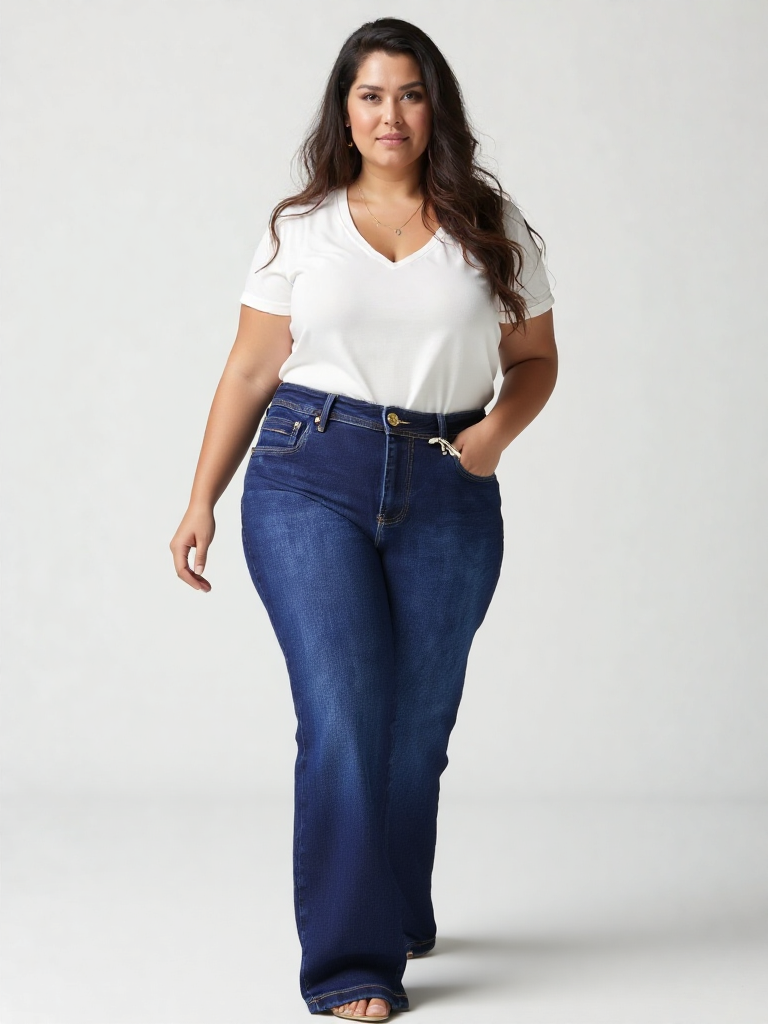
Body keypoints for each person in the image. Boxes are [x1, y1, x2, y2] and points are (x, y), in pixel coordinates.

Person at [169, 17, 557, 1021]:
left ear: (437, 109)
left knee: (416, 729)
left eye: (410, 94)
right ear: (345, 111)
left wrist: (494, 436)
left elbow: (534, 361)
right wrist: (202, 496)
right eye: (371, 95)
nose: (391, 115)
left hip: (449, 483)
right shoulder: (302, 228)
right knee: (344, 710)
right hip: (309, 473)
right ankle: (351, 961)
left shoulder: (492, 226)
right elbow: (250, 370)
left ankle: (392, 903)